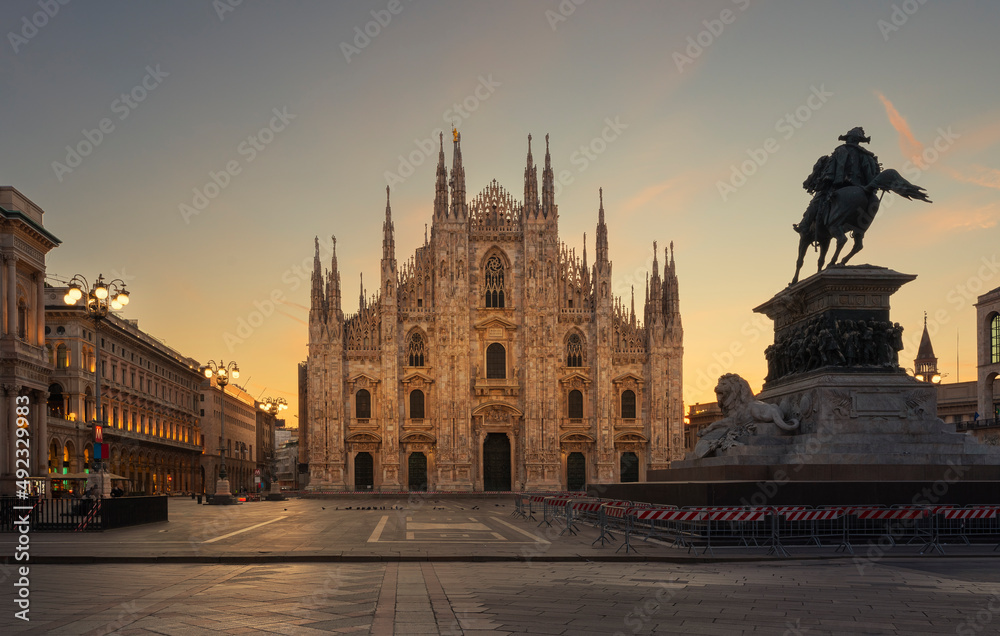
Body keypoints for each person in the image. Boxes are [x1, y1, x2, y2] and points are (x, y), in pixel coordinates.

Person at [795, 127, 882, 239]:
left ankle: (804, 225)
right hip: (859, 186)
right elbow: (869, 172)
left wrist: (825, 181)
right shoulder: (866, 155)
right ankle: (858, 232)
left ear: (849, 139)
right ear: (859, 140)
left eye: (849, 138)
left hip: (838, 184)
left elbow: (830, 170)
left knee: (817, 199)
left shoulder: (840, 151)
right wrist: (872, 188)